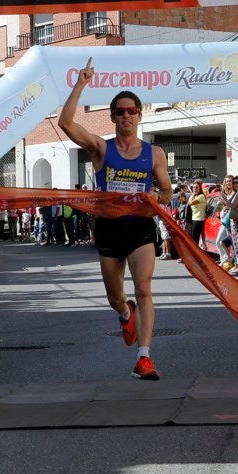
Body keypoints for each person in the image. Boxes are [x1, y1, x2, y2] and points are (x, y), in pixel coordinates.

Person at [59, 58, 173, 381]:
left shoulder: (155, 154)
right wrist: (81, 83)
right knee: (115, 297)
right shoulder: (100, 149)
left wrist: (157, 197)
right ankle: (125, 315)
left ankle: (144, 357)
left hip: (139, 227)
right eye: (120, 112)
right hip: (109, 227)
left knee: (144, 288)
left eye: (131, 111)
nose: (126, 116)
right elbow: (66, 124)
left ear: (139, 115)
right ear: (112, 117)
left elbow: (166, 193)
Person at [218, 175, 238, 275]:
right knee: (235, 242)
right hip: (234, 220)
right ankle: (237, 264)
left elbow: (232, 205)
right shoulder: (237, 192)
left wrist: (224, 198)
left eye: (237, 182)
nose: (235, 184)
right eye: (234, 182)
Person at [187, 181, 208, 248]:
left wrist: (193, 195)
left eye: (197, 187)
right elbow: (189, 202)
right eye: (193, 187)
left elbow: (190, 203)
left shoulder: (201, 196)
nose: (195, 189)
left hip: (199, 220)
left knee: (195, 240)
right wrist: (193, 195)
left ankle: (196, 256)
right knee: (193, 239)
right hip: (193, 219)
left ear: (200, 189)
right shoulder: (193, 196)